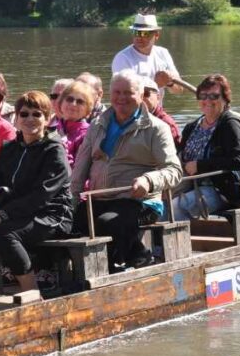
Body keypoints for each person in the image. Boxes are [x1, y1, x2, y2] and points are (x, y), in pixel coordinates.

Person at [70, 70, 182, 270]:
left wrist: (148, 181)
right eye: (117, 92)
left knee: (107, 223)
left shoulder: (156, 128)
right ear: (109, 94)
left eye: (128, 93)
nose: (121, 98)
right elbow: (80, 169)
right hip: (100, 198)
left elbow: (174, 170)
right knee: (69, 225)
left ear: (140, 95)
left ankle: (121, 263)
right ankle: (72, 274)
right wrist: (70, 202)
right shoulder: (97, 125)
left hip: (140, 202)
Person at [0, 91, 72, 293]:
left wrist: (0, 216)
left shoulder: (53, 150)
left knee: (4, 233)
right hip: (17, 213)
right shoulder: (9, 149)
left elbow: (41, 195)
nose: (30, 119)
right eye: (24, 114)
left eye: (37, 114)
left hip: (51, 214)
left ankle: (31, 294)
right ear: (16, 118)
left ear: (47, 119)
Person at [170, 74, 240, 220]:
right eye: (203, 96)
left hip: (219, 190)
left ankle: (178, 242)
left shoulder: (230, 124)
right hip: (188, 184)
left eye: (214, 96)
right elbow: (179, 155)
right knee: (157, 202)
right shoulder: (191, 127)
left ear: (225, 99)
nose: (207, 100)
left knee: (178, 206)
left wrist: (200, 166)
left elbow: (238, 161)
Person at [111, 14, 183, 97]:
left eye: (144, 33)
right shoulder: (122, 58)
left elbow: (179, 90)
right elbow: (125, 94)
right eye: (136, 32)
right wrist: (156, 84)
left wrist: (170, 83)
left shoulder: (163, 53)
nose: (139, 37)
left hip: (157, 109)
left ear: (156, 35)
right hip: (131, 109)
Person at [54, 79, 96, 167]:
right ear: (61, 103)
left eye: (80, 102)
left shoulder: (88, 134)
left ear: (87, 109)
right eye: (69, 99)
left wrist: (63, 144)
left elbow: (79, 168)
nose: (73, 104)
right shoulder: (52, 127)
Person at [140, 77, 181, 149]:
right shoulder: (129, 119)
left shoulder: (166, 124)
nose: (142, 98)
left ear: (158, 97)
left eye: (146, 93)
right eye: (138, 94)